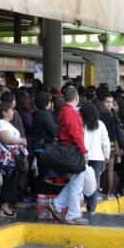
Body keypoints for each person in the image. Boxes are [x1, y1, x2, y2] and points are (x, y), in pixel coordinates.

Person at [48, 88, 89, 225]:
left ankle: (58, 205)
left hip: (65, 151)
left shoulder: (63, 111)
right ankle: (72, 215)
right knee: (77, 184)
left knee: (75, 182)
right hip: (72, 151)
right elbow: (75, 133)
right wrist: (84, 151)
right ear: (77, 98)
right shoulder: (71, 112)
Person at [0, 102, 27, 217]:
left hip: (13, 157)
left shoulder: (7, 123)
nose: (13, 112)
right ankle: (4, 205)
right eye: (11, 110)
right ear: (4, 112)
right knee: (8, 181)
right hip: (7, 158)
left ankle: (6, 204)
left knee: (12, 181)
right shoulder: (0, 124)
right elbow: (7, 139)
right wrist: (21, 141)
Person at [79, 102, 110, 214]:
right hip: (97, 157)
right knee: (93, 183)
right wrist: (106, 155)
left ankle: (80, 204)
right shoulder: (100, 124)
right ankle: (91, 208)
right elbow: (105, 141)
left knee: (80, 181)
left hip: (83, 156)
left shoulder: (81, 124)